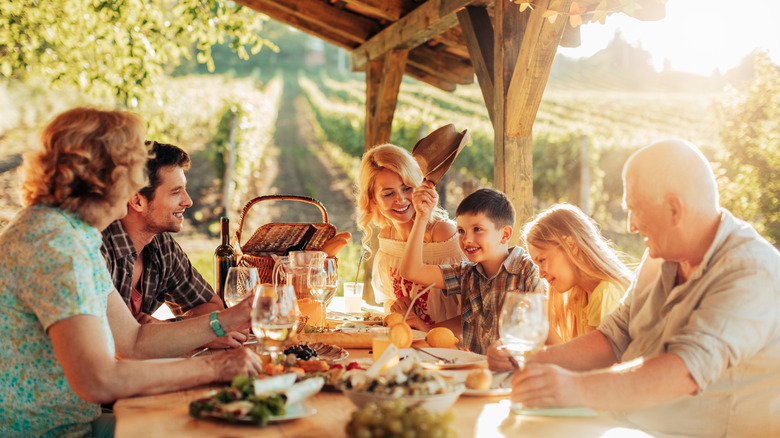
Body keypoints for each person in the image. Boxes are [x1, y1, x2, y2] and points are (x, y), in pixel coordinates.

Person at [0, 107, 263, 437]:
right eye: (136, 168)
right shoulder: (54, 245)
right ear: (107, 176)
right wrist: (211, 367)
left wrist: (230, 318)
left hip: (74, 423)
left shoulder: (74, 234)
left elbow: (134, 342)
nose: (139, 181)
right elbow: (99, 380)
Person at [509, 139, 780, 437]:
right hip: (625, 428)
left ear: (674, 209)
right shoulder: (659, 258)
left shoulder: (751, 271)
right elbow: (614, 337)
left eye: (635, 210)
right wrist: (526, 363)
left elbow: (685, 370)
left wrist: (572, 388)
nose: (630, 226)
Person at [101, 141, 245, 348]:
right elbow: (105, 342)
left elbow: (211, 306)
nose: (188, 201)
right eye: (176, 191)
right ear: (137, 201)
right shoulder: (97, 250)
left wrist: (168, 328)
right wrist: (198, 333)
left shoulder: (161, 245)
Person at [399, 186, 545, 354]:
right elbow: (412, 271)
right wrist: (422, 217)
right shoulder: (466, 273)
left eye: (477, 229)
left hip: (514, 373)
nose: (467, 239)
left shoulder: (528, 271)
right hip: (474, 370)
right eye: (461, 231)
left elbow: (537, 337)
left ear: (505, 235)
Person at [489, 204, 632, 367]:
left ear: (571, 245)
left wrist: (540, 333)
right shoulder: (579, 295)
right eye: (537, 265)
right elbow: (572, 357)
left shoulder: (605, 293)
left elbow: (591, 367)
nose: (541, 274)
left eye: (542, 260)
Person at [357, 143, 465, 332]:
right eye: (388, 193)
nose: (401, 200)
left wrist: (427, 330)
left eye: (407, 188)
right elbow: (388, 297)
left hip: (448, 348)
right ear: (373, 199)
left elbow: (475, 310)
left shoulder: (444, 235)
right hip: (409, 343)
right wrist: (394, 306)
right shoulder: (388, 238)